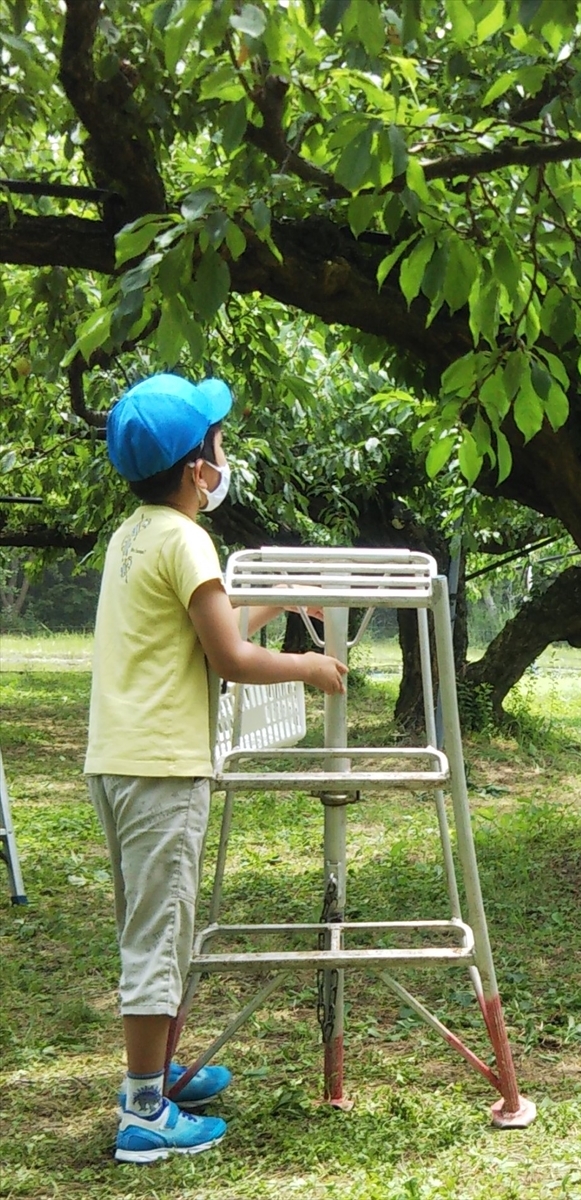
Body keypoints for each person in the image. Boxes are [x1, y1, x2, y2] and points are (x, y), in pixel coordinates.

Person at [88, 374, 349, 1163]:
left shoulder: (136, 536)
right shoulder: (188, 539)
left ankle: (157, 1074)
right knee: (158, 937)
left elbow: (213, 619)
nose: (223, 454)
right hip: (162, 765)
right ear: (196, 467)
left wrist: (281, 596)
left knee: (157, 922)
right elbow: (228, 656)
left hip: (120, 760)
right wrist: (311, 667)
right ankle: (142, 1113)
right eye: (217, 442)